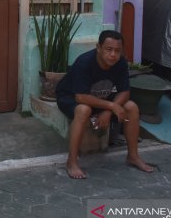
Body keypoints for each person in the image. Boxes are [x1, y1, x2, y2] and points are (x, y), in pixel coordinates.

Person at [56, 30, 155, 179]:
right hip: (71, 97)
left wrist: (108, 111)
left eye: (117, 51)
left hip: (100, 97)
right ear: (98, 47)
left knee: (131, 107)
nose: (113, 54)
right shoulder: (84, 62)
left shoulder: (120, 62)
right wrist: (112, 106)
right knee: (84, 110)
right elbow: (81, 97)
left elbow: (125, 92)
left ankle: (133, 156)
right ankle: (71, 162)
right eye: (109, 49)